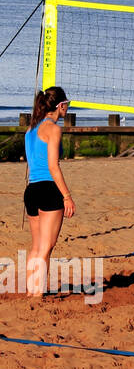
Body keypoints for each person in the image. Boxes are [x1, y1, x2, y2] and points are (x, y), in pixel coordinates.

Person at [23, 87, 76, 296]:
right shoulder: (53, 129)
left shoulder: (30, 130)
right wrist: (67, 196)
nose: (68, 109)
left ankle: (31, 292)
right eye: (67, 105)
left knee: (36, 246)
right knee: (46, 247)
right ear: (61, 106)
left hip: (32, 190)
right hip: (48, 189)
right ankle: (37, 293)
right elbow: (53, 167)